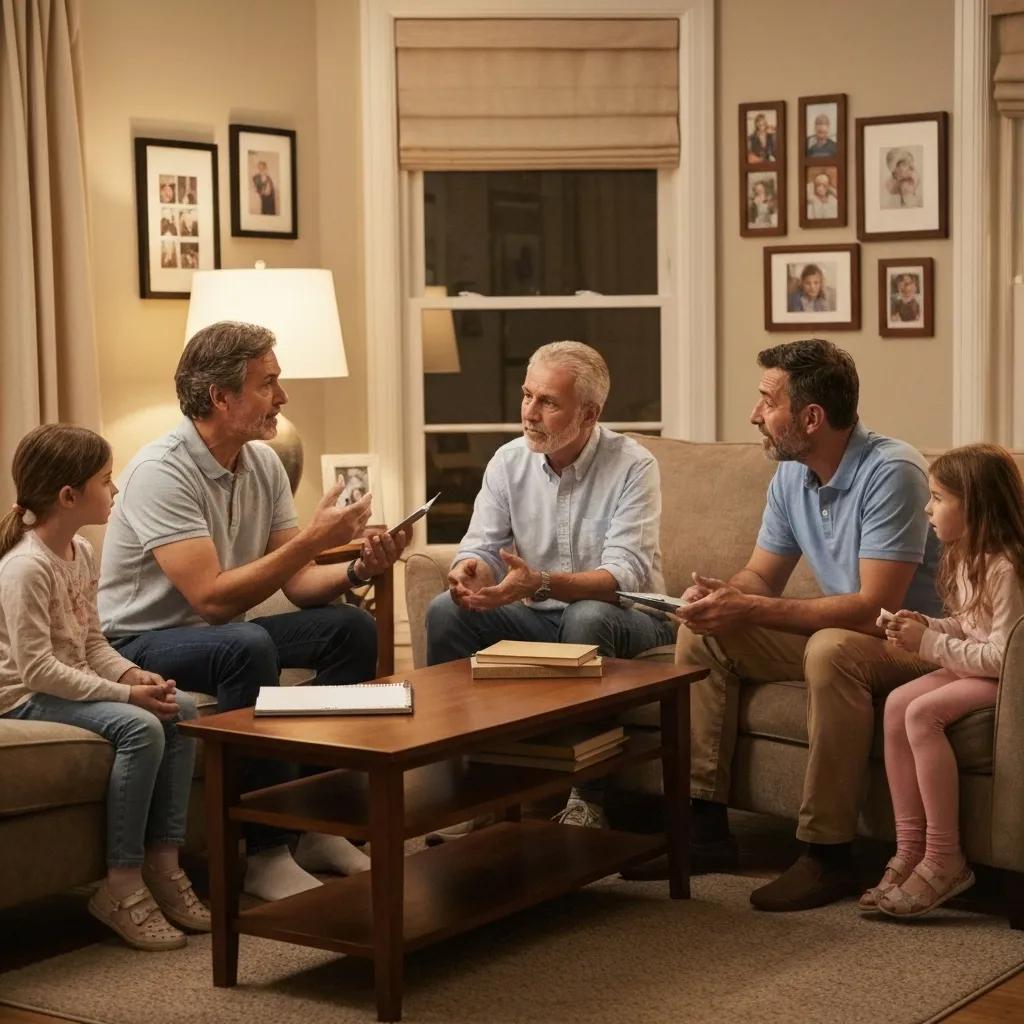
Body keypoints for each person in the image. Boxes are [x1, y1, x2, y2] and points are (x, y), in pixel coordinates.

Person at [624, 339, 942, 911]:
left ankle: (827, 856)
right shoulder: (793, 475)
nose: (754, 416)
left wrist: (755, 608)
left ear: (811, 417)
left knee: (829, 650)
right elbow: (761, 578)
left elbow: (878, 608)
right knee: (704, 631)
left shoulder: (894, 471)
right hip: (853, 635)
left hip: (919, 642)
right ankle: (704, 831)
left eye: (767, 401)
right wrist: (723, 596)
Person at [98, 321, 406, 901]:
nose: (282, 398)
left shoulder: (262, 464)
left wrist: (359, 570)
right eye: (268, 384)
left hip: (221, 634)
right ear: (221, 396)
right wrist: (311, 540)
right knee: (247, 645)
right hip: (139, 642)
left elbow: (298, 584)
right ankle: (263, 851)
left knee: (351, 629)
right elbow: (211, 600)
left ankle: (318, 827)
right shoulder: (161, 472)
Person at [425, 340, 676, 832]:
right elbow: (480, 546)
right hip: (537, 618)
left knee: (586, 616)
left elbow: (621, 578)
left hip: (631, 619)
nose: (529, 413)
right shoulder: (507, 462)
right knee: (444, 611)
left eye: (548, 402)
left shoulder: (633, 465)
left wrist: (537, 582)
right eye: (526, 396)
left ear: (589, 413)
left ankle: (588, 798)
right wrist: (470, 570)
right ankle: (468, 788)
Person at [0, 425, 210, 950]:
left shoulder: (82, 553)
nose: (114, 491)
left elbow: (91, 642)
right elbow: (37, 672)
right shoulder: (26, 567)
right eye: (105, 481)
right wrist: (125, 697)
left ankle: (164, 864)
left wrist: (131, 675)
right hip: (22, 699)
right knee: (141, 726)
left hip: (63, 685)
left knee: (180, 708)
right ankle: (119, 885)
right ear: (69, 496)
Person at [859, 445, 1024, 918]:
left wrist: (928, 645)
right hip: (975, 665)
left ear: (973, 505)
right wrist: (929, 626)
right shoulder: (966, 556)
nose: (927, 508)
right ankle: (910, 849)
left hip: (1006, 680)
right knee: (896, 704)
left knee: (921, 712)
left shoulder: (1007, 567)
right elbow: (970, 625)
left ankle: (944, 856)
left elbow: (1002, 654)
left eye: (937, 498)